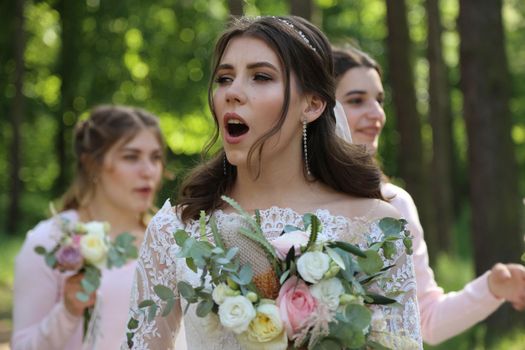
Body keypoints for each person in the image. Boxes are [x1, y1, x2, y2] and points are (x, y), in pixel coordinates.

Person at [125, 16, 422, 349]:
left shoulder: (375, 227)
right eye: (224, 78)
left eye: (260, 77)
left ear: (312, 104)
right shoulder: (176, 230)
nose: (232, 93)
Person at [333, 46, 525, 345]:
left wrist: (492, 287)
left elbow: (426, 321)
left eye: (380, 100)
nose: (377, 114)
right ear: (316, 106)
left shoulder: (395, 203)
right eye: (357, 100)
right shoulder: (280, 198)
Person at [12, 105, 165, 350]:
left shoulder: (166, 241)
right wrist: (68, 312)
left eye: (155, 157)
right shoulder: (51, 240)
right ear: (93, 164)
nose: (148, 171)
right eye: (131, 156)